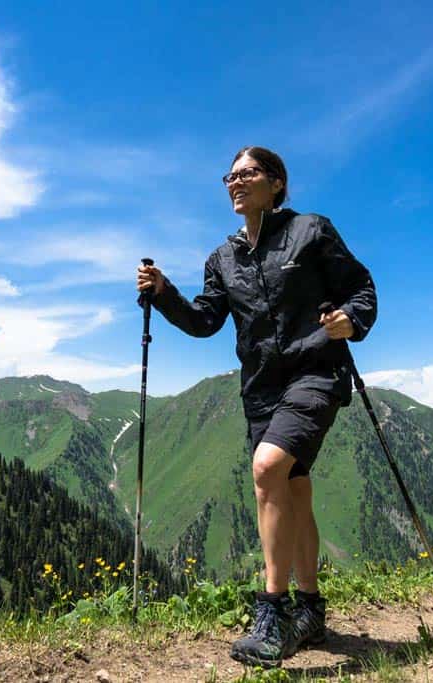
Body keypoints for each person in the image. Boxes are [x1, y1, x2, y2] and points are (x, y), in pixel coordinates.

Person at [135, 146, 376, 668]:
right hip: (261, 388)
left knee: (267, 466)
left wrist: (350, 322)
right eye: (231, 175)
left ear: (276, 183)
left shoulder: (311, 231)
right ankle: (311, 608)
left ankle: (274, 613)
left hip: (317, 372)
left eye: (248, 174)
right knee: (294, 486)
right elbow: (204, 321)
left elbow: (359, 287)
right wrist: (163, 291)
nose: (236, 182)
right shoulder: (222, 259)